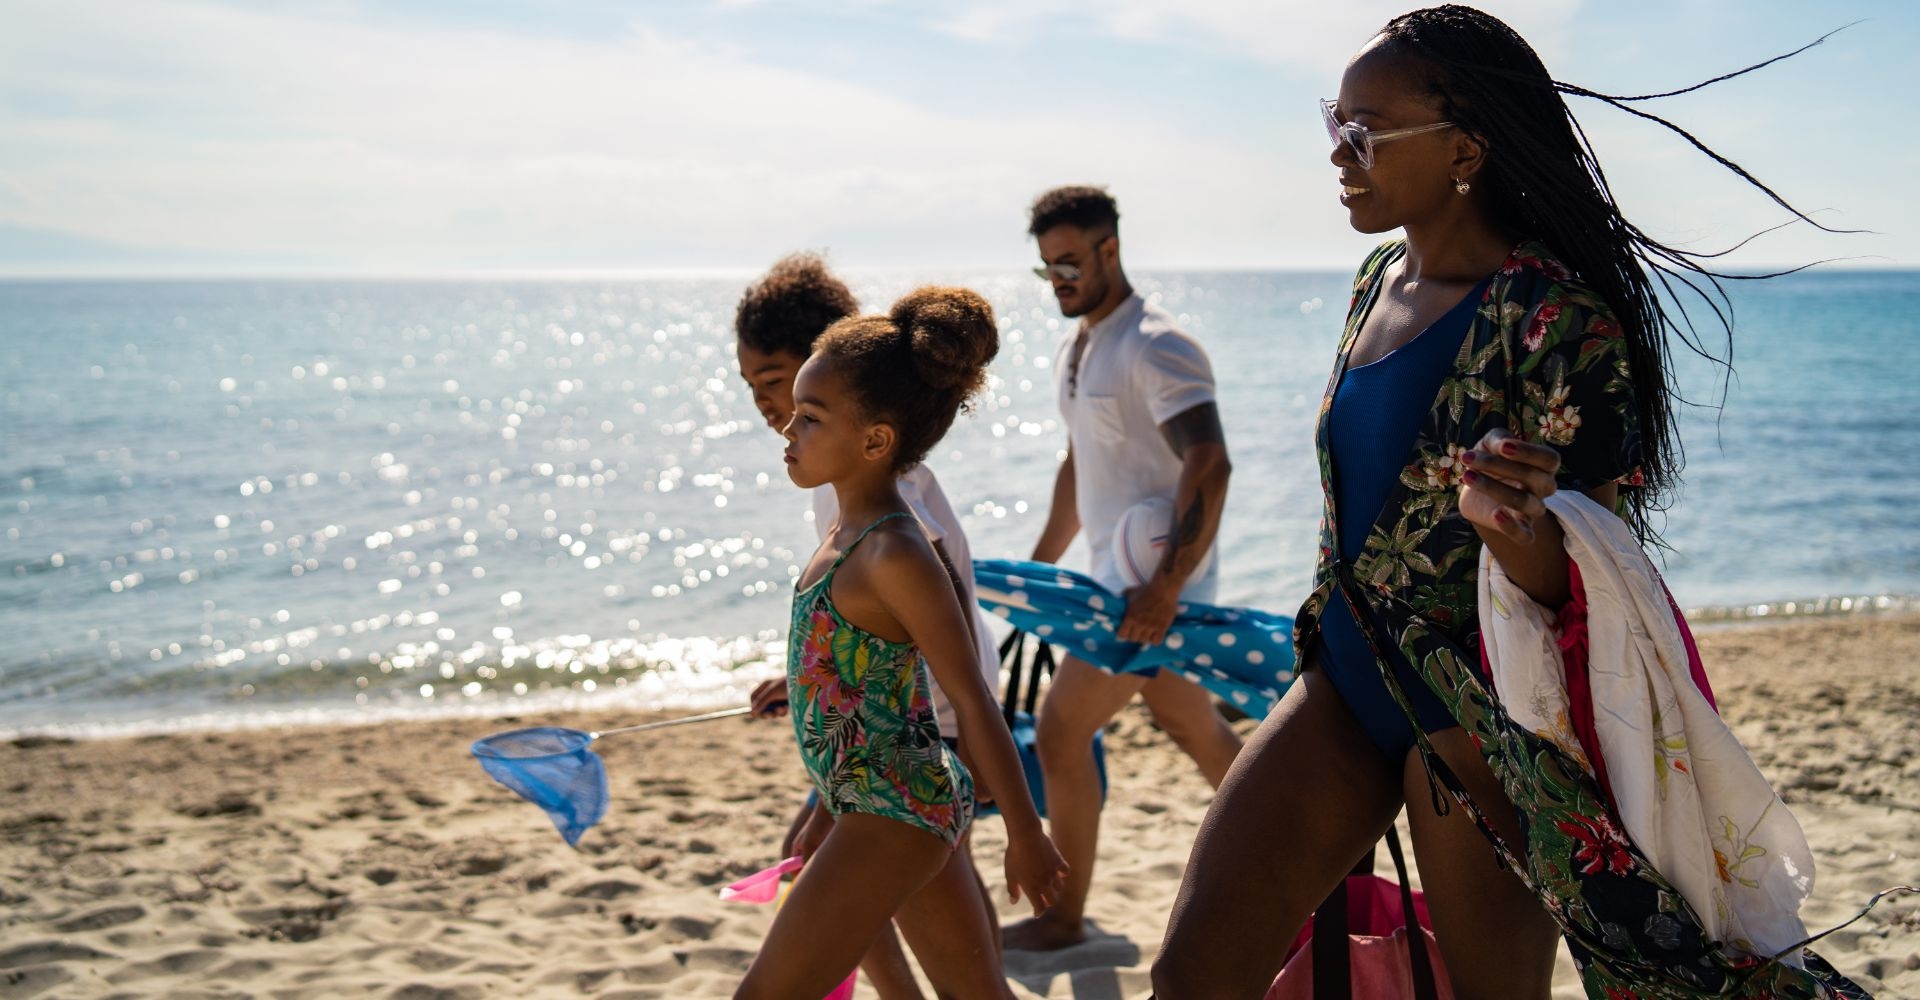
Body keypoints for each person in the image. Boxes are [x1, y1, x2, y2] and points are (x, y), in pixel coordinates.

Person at [1152, 6, 1865, 999]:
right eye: (1332, 124)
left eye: (1363, 131)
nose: (1337, 155)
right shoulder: (1373, 281)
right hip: (1346, 680)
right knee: (1192, 972)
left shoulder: (1556, 318)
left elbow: (1592, 582)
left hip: (1475, 721)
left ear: (1465, 148)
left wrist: (1520, 531)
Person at [736, 287, 1068, 999]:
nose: (787, 430)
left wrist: (1025, 833)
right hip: (881, 798)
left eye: (810, 417)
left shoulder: (898, 551)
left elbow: (972, 697)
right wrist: (823, 804)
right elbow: (873, 691)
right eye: (793, 411)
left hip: (897, 808)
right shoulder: (843, 531)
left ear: (876, 441)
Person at [1004, 185, 1243, 952]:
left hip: (1149, 591)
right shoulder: (1081, 347)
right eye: (1048, 269)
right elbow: (1083, 466)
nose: (1061, 281)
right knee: (1193, 726)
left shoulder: (1155, 344)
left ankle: (1063, 917)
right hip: (1121, 583)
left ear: (1111, 248)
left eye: (1071, 262)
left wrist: (1165, 587)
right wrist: (1038, 570)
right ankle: (1312, 858)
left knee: (1058, 730)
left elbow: (1209, 461)